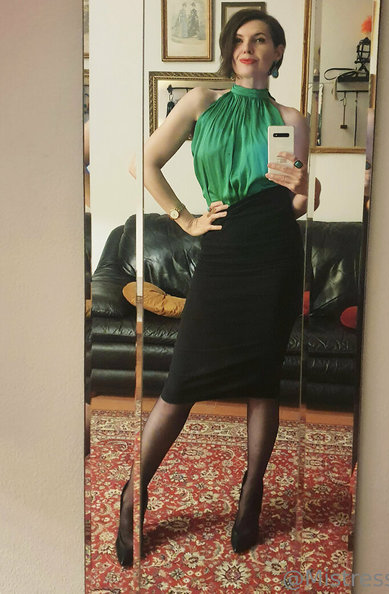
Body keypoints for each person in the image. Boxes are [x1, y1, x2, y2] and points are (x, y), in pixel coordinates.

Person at [116, 9, 309, 566]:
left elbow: (296, 203)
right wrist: (185, 218)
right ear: (230, 51)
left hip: (274, 254)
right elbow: (143, 163)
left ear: (277, 52)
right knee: (180, 384)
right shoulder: (202, 102)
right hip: (223, 252)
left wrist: (306, 187)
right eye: (240, 39)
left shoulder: (293, 118)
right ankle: (134, 492)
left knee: (263, 383)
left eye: (261, 40)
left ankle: (251, 493)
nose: (249, 47)